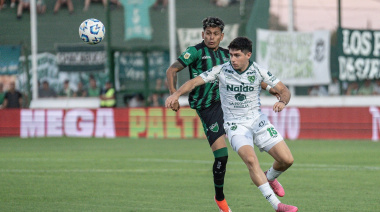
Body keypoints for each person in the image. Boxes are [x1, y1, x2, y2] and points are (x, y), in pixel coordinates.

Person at [166, 37, 298, 212]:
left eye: (237, 55)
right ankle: (277, 206)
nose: (232, 59)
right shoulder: (221, 70)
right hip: (236, 126)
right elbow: (194, 82)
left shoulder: (258, 71)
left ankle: (270, 177)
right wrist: (176, 95)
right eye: (231, 55)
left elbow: (284, 90)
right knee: (251, 160)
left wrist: (283, 101)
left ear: (248, 55)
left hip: (258, 121)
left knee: (287, 160)